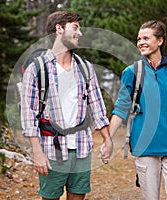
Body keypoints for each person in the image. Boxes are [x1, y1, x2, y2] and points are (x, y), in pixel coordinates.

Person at [21, 11, 113, 200]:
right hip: (51, 149)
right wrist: (37, 152)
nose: (80, 33)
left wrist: (107, 139)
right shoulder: (36, 69)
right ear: (59, 29)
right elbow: (29, 115)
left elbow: (96, 105)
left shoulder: (85, 68)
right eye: (75, 28)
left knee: (78, 196)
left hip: (82, 147)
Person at [109, 20, 167, 200]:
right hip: (145, 147)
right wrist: (108, 139)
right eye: (138, 39)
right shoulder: (132, 72)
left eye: (146, 38)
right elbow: (121, 109)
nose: (140, 42)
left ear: (160, 41)